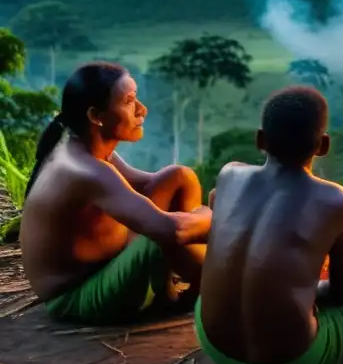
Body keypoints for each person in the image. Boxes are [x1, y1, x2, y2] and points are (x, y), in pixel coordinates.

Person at [195, 86, 343, 364]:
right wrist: (314, 290)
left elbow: (218, 208)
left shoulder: (229, 175)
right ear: (323, 145)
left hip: (214, 346)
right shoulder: (336, 201)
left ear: (260, 139)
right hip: (290, 362)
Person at [20, 62, 212, 325]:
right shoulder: (86, 171)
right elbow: (170, 230)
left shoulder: (87, 144)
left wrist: (200, 218)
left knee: (180, 177)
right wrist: (217, 217)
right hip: (75, 295)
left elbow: (145, 187)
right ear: (95, 116)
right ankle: (212, 281)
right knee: (157, 238)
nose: (141, 110)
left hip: (105, 260)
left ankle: (195, 277)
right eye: (129, 101)